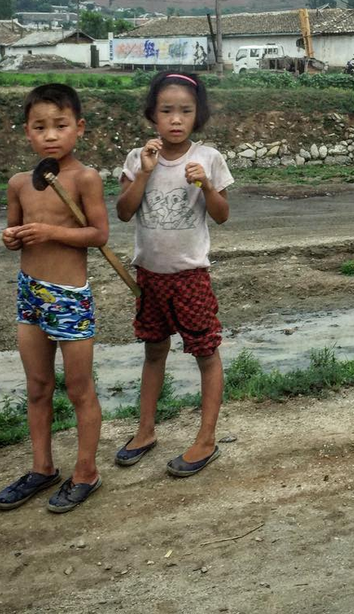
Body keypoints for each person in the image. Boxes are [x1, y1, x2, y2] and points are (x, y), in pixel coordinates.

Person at [0, 84, 108, 513]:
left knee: (80, 390)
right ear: (27, 133)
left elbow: (98, 235)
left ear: (78, 128)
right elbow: (14, 233)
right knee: (38, 387)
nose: (51, 135)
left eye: (60, 126)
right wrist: (12, 237)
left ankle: (86, 472)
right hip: (30, 296)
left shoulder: (85, 178)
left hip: (69, 298)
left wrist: (52, 232)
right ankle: (42, 468)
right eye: (40, 127)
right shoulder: (20, 184)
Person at [115, 72, 234, 476]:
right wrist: (145, 172)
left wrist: (206, 186)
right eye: (167, 111)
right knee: (153, 351)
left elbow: (221, 216)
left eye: (185, 111)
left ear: (198, 115)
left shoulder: (209, 159)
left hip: (190, 277)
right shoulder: (137, 158)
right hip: (149, 276)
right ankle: (145, 430)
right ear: (152, 114)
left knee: (205, 353)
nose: (176, 119)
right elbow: (123, 211)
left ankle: (206, 438)